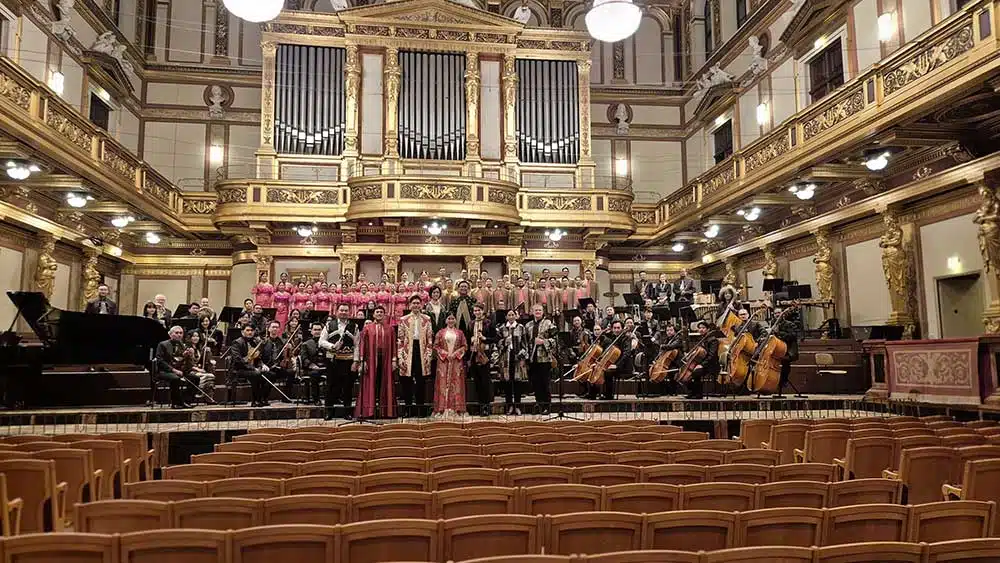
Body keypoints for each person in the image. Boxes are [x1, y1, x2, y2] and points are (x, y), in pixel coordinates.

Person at [352, 305, 396, 419]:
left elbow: (394, 346)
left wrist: (394, 360)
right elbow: (362, 345)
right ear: (373, 314)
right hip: (370, 359)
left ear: (384, 314)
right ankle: (368, 412)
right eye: (377, 312)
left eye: (381, 312)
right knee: (370, 384)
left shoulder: (390, 328)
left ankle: (386, 412)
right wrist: (363, 361)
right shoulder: (368, 328)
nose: (379, 314)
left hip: (385, 359)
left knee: (385, 383)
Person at [319, 303, 358, 419]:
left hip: (348, 361)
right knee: (331, 386)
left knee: (348, 387)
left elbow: (357, 345)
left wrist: (356, 361)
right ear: (337, 312)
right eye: (341, 310)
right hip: (332, 361)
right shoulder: (329, 325)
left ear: (349, 313)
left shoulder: (354, 326)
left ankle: (347, 411)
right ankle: (328, 411)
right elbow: (321, 341)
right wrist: (332, 346)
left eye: (346, 310)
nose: (344, 312)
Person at [397, 295, 433, 417]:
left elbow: (429, 339)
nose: (416, 305)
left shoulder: (427, 319)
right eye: (414, 303)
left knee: (421, 380)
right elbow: (400, 340)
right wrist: (400, 356)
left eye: (418, 303)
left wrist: (428, 354)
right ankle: (408, 408)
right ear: (410, 305)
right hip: (408, 351)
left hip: (421, 352)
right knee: (407, 380)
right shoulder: (403, 319)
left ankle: (420, 409)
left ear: (421, 305)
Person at [433, 312, 467, 416]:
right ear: (446, 320)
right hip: (444, 362)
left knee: (457, 384)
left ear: (455, 320)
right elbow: (435, 346)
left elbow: (465, 346)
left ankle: (457, 408)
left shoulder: (460, 333)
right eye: (449, 319)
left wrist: (456, 354)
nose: (451, 321)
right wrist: (445, 354)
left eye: (452, 319)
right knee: (442, 384)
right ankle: (441, 408)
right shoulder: (440, 332)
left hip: (456, 362)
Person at [524, 304, 555, 414]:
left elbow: (556, 340)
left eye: (539, 310)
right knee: (535, 383)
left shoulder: (549, 323)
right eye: (535, 310)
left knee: (545, 383)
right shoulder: (528, 325)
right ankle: (539, 404)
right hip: (532, 359)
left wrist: (544, 342)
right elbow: (525, 342)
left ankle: (547, 406)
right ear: (532, 311)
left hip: (544, 359)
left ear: (543, 312)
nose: (537, 312)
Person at [229, 324, 270, 407]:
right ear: (242, 332)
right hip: (239, 369)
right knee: (256, 374)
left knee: (268, 374)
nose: (250, 332)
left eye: (251, 330)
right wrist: (252, 368)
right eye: (247, 330)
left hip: (251, 368)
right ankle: (255, 401)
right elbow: (238, 360)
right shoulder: (237, 342)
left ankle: (262, 399)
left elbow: (257, 358)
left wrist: (262, 365)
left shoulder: (254, 342)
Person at [155, 325, 192, 409]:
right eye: (176, 333)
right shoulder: (162, 344)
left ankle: (185, 401)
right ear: (170, 334)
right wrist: (173, 370)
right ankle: (176, 403)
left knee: (195, 378)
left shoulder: (182, 345)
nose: (179, 335)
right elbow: (160, 361)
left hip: (179, 370)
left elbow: (182, 360)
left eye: (181, 333)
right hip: (164, 371)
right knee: (175, 378)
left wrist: (188, 356)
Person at [468, 303, 495, 416]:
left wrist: (485, 339)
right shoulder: (471, 323)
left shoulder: (488, 323)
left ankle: (486, 406)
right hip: (474, 354)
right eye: (475, 311)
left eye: (479, 310)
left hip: (485, 355)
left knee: (485, 382)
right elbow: (467, 336)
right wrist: (471, 340)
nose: (477, 312)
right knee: (477, 381)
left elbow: (495, 338)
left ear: (483, 311)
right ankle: (479, 405)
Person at [686, 321, 720, 399]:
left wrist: (701, 365)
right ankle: (692, 393)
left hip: (712, 365)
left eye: (703, 328)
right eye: (699, 328)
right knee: (688, 373)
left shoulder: (713, 340)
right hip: (703, 363)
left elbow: (711, 356)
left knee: (696, 373)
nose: (701, 330)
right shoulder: (702, 339)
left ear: (708, 329)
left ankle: (699, 394)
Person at [771, 307, 800, 395]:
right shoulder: (773, 324)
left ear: (783, 314)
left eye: (779, 312)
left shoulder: (790, 324)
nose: (777, 314)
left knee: (785, 361)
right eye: (776, 313)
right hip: (776, 349)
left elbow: (793, 336)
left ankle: (783, 380)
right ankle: (772, 381)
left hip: (789, 350)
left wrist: (778, 333)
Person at [299, 322, 327, 405]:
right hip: (312, 369)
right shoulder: (306, 344)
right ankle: (316, 399)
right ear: (311, 331)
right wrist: (311, 365)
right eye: (315, 330)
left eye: (319, 330)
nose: (317, 331)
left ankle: (334, 398)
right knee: (314, 374)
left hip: (325, 368)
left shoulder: (327, 343)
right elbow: (304, 358)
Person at [185, 330, 215, 402]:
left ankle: (209, 399)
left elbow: (201, 361)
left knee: (211, 376)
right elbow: (187, 364)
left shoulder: (199, 349)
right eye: (194, 336)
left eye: (197, 336)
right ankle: (199, 390)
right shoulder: (187, 348)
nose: (196, 338)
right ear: (190, 338)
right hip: (189, 370)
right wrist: (198, 369)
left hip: (198, 370)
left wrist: (207, 352)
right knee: (207, 376)